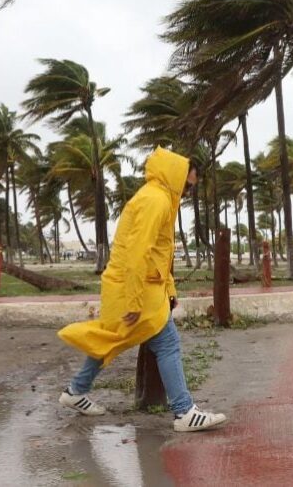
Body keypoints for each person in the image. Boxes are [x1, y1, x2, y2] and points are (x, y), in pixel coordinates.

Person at [57, 147, 227, 432]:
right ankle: (184, 412)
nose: (187, 193)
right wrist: (135, 302)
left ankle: (75, 392)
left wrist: (170, 291)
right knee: (167, 343)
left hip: (138, 286)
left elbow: (161, 252)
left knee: (110, 339)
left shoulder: (157, 198)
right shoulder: (156, 201)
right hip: (133, 288)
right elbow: (138, 253)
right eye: (187, 186)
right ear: (177, 177)